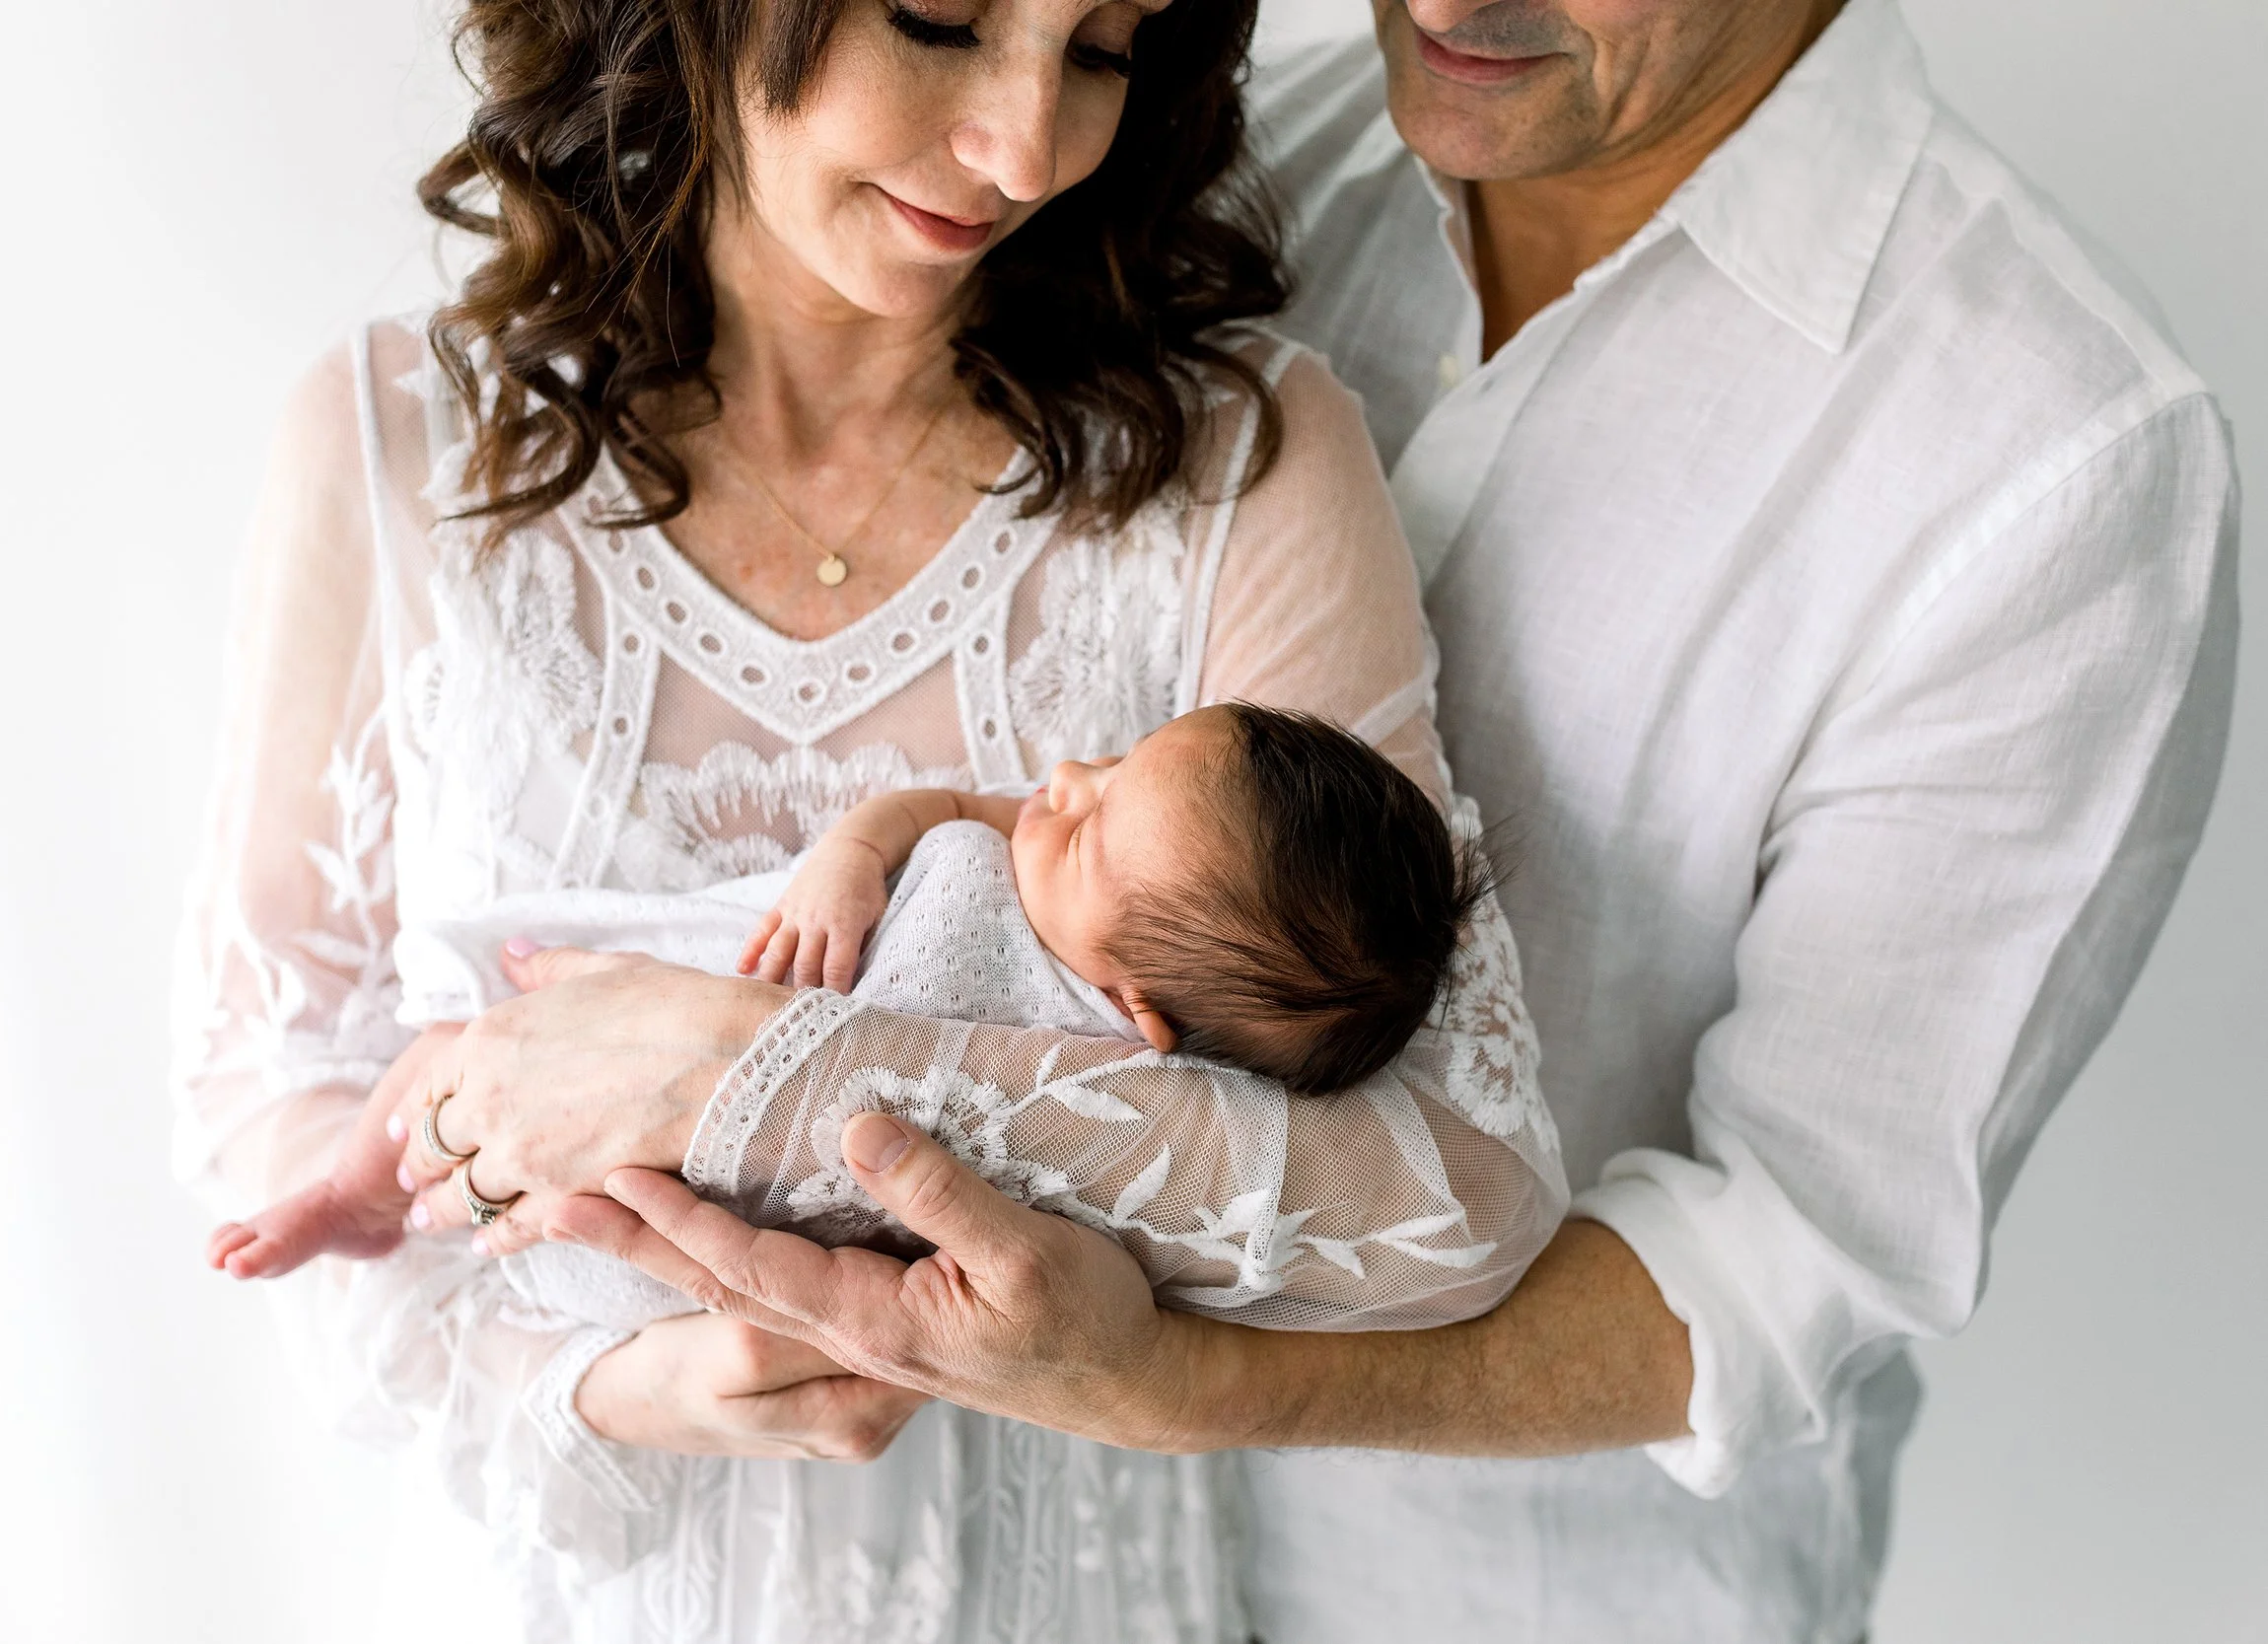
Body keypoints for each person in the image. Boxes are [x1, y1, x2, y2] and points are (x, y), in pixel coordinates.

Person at [440, 0, 2239, 1639]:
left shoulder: (2056, 452)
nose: (1447, 1)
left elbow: (1790, 1248)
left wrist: (1167, 1378)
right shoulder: (1176, 187)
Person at [174, 0, 1564, 1636]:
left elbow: (1457, 1191)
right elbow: (263, 1084)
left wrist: (757, 1074)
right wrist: (609, 1385)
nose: (1028, 144)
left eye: (1106, 48)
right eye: (941, 19)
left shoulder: (1240, 459)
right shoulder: (400, 438)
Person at [204, 703, 1484, 1278]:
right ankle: (350, 1191)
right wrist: (850, 857)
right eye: (1112, 759)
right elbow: (936, 804)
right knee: (462, 1045)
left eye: (1090, 827)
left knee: (579, 1201)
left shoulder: (1095, 1077)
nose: (1062, 782)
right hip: (721, 965)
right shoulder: (1020, 847)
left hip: (743, 1182)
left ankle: (453, 1209)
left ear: (1136, 1007)